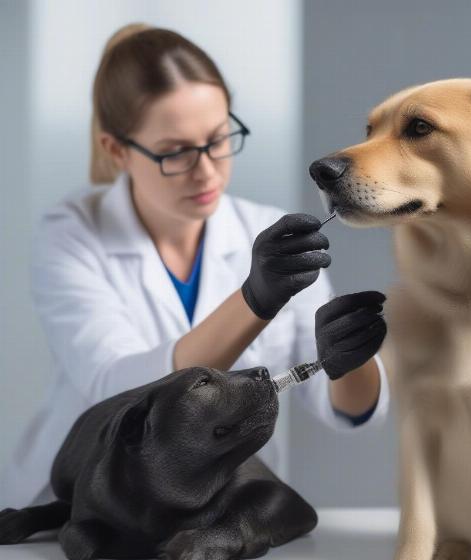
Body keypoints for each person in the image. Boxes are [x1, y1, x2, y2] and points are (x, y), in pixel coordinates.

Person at [0, 24, 389, 508]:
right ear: (116, 150)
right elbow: (118, 392)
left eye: (219, 138)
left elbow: (345, 411)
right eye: (176, 152)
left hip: (221, 513)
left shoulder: (267, 230)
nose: (207, 170)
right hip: (82, 508)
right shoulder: (74, 233)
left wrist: (350, 361)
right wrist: (254, 302)